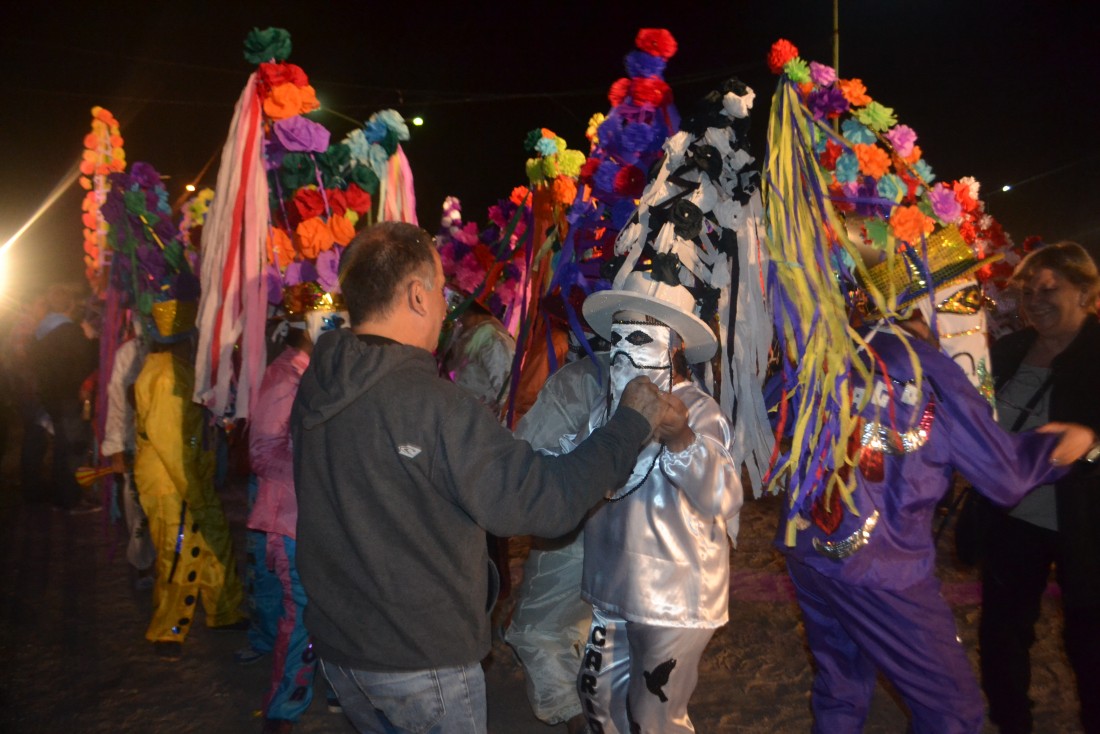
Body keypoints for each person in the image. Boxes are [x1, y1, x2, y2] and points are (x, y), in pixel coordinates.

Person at [291, 221, 673, 733]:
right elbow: (544, 503)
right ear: (416, 296)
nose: (447, 306)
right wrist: (629, 424)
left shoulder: (317, 385)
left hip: (344, 653)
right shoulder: (433, 407)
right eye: (441, 289)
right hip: (420, 660)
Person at [575, 272, 742, 734]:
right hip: (613, 587)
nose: (625, 351)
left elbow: (725, 496)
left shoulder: (701, 410)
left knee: (654, 714)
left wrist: (682, 439)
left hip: (675, 596)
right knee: (598, 697)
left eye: (641, 336)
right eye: (618, 337)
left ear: (674, 348)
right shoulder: (606, 410)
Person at [979, 241, 1100, 734]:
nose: (1036, 298)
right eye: (1029, 289)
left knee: (1089, 640)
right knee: (1003, 635)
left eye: (1050, 287)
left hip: (1086, 522)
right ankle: (1012, 724)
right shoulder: (1007, 351)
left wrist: (1091, 442)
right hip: (1013, 518)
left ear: (1086, 291)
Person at [133, 299, 246, 660]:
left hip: (182, 474)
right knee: (177, 551)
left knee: (212, 538)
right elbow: (171, 441)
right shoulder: (167, 374)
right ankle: (167, 629)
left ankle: (224, 610)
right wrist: (193, 489)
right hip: (172, 479)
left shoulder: (170, 368)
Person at [30, 284, 100, 511]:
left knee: (62, 446)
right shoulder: (70, 332)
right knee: (73, 448)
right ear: (70, 304)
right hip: (70, 396)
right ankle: (71, 499)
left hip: (52, 396)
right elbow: (85, 362)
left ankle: (62, 497)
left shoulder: (42, 330)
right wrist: (92, 340)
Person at [100, 320, 155, 587]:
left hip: (172, 443)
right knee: (139, 508)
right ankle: (144, 565)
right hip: (138, 444)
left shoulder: (184, 344)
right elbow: (119, 403)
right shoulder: (130, 352)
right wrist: (118, 449)